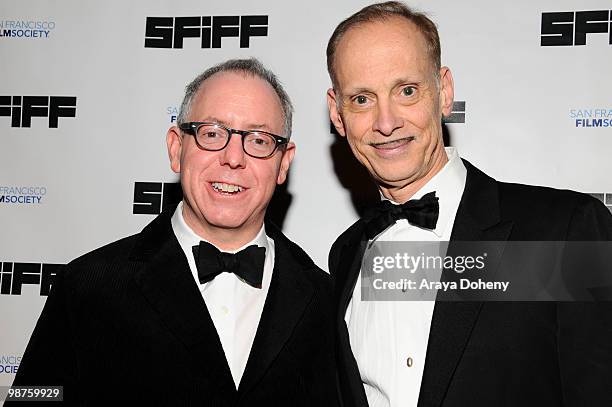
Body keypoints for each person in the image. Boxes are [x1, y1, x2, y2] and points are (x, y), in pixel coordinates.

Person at [325, 2, 612, 406]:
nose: (386, 122)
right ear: (337, 114)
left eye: (407, 91)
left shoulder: (561, 232)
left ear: (444, 92)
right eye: (361, 100)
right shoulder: (345, 256)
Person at [12, 58, 338, 406]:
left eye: (258, 140)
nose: (233, 158)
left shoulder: (328, 302)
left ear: (283, 163)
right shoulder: (88, 287)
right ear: (176, 148)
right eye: (212, 133)